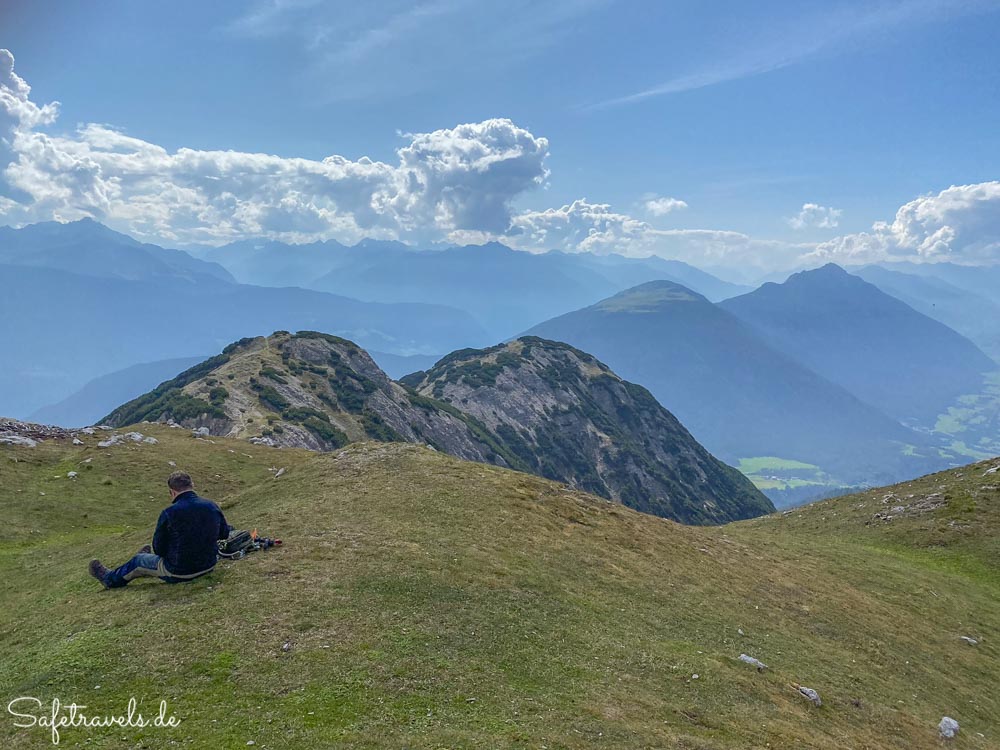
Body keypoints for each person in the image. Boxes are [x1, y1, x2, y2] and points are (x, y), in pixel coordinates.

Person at [89, 471, 230, 589]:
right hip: (209, 564)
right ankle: (145, 561)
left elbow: (159, 548)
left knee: (138, 561)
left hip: (180, 571)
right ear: (192, 485)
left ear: (172, 492)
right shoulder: (211, 505)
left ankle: (108, 579)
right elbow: (224, 534)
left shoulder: (169, 512)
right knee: (145, 559)